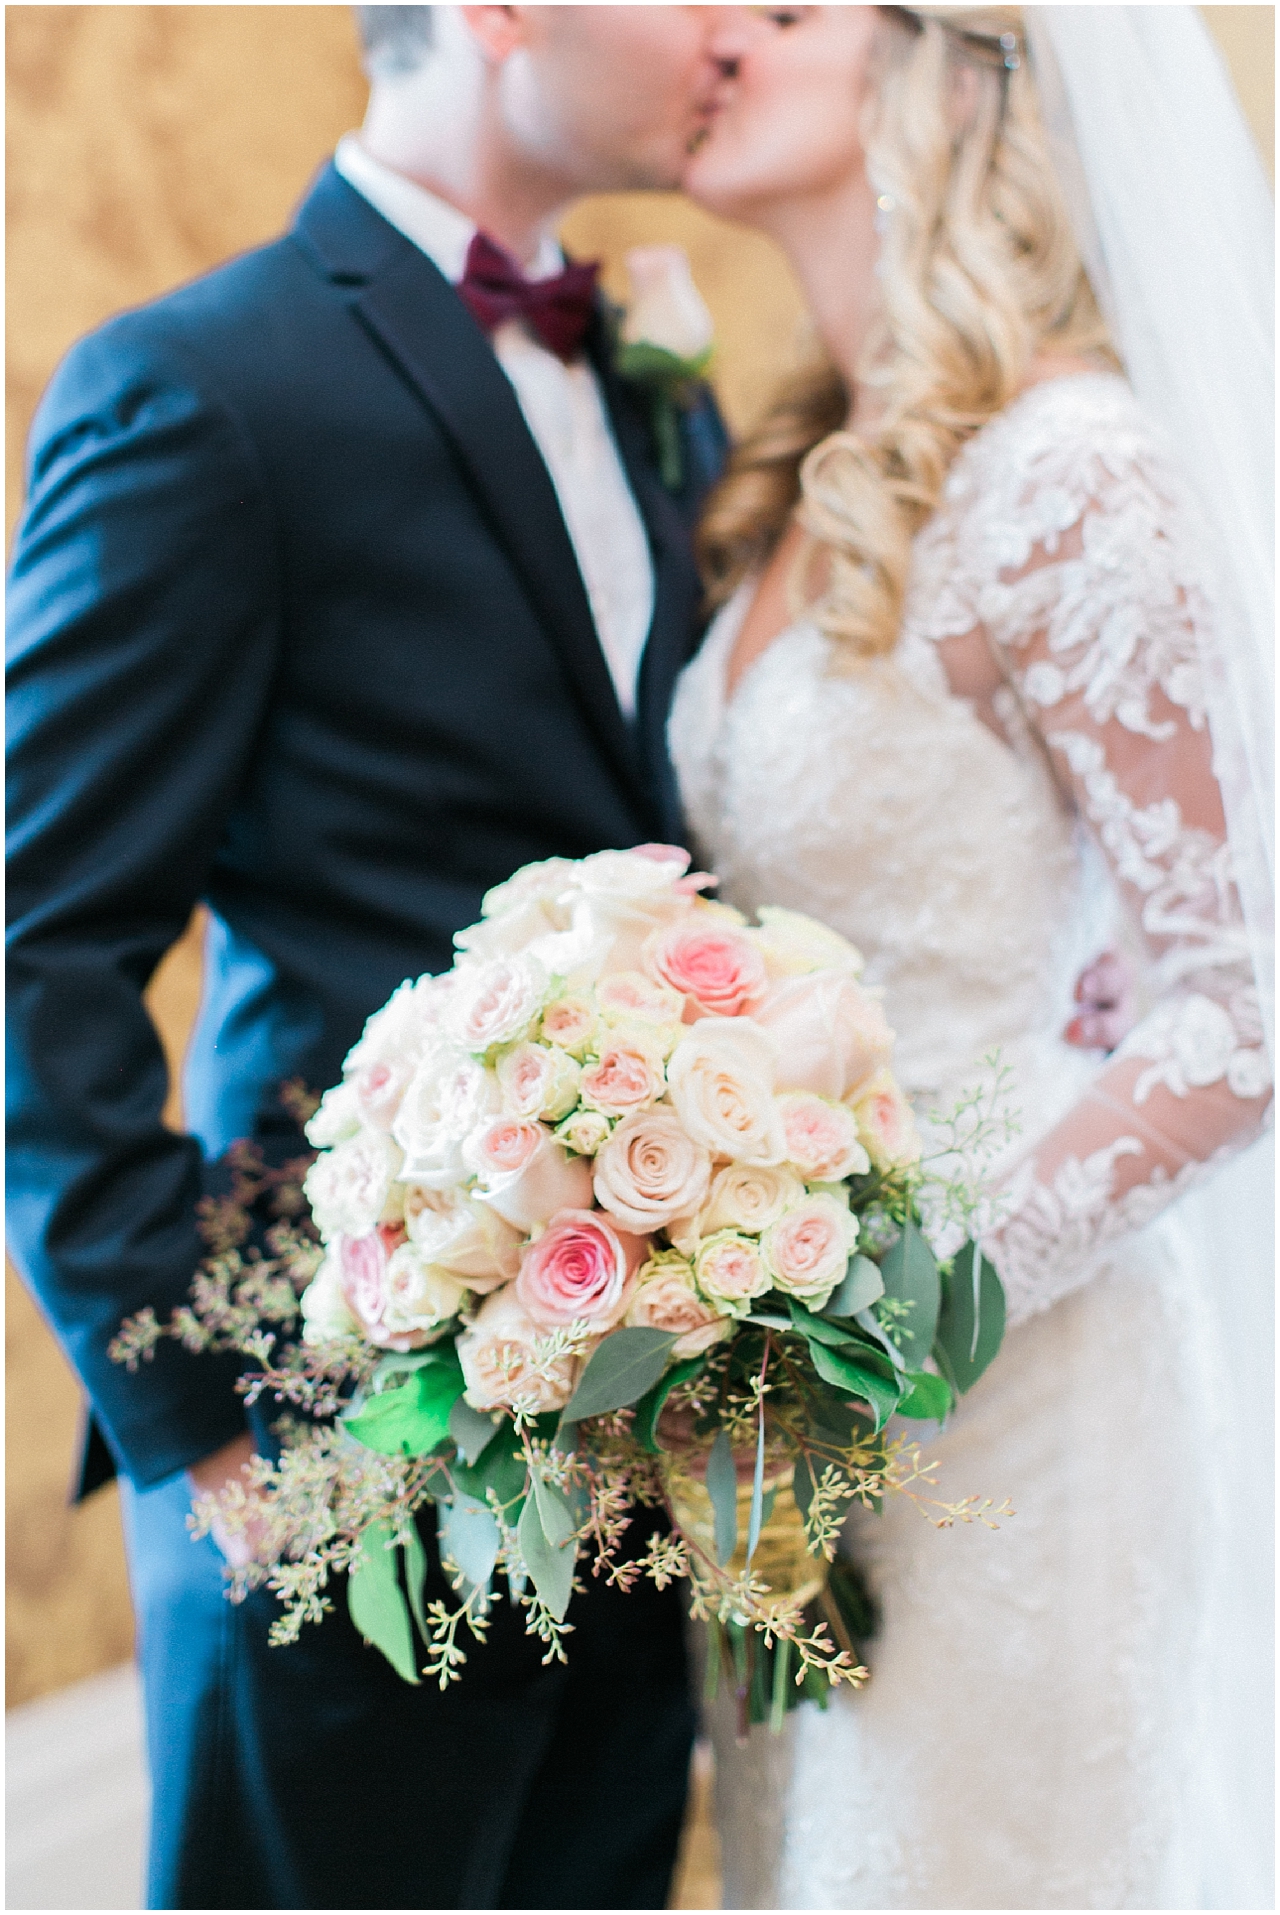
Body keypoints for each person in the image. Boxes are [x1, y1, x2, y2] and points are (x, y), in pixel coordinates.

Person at [6, 7, 730, 1907]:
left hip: (632, 1404)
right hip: (334, 1435)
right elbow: (41, 942)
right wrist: (201, 1435)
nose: (733, 26)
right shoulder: (199, 385)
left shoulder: (661, 382)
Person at [668, 5, 1273, 1906]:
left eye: (780, 12)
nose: (719, 35)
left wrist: (910, 1316)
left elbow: (1238, 1009)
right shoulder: (791, 469)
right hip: (780, 1409)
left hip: (1009, 1387)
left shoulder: (1071, 469)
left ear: (951, 71)